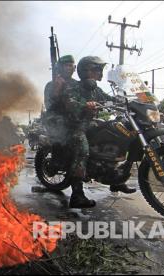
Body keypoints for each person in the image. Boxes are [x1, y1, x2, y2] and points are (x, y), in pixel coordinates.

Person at [50, 56, 136, 209]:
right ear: (85, 70)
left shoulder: (95, 88)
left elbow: (109, 99)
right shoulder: (74, 87)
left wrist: (126, 101)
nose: (99, 72)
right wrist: (84, 105)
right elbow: (70, 102)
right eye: (96, 69)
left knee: (117, 133)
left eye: (100, 69)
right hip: (73, 126)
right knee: (82, 149)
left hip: (89, 124)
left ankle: (116, 181)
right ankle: (77, 195)